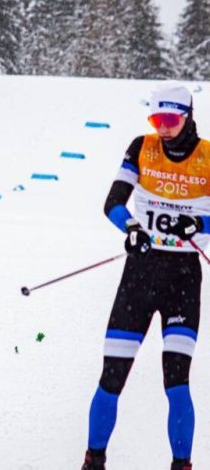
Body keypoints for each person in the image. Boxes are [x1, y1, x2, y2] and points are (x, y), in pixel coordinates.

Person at [82, 83, 208, 470]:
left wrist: (198, 222)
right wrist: (132, 228)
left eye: (169, 120)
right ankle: (93, 461)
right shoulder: (141, 147)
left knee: (176, 379)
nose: (163, 128)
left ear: (186, 117)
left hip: (183, 278)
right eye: (156, 120)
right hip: (140, 273)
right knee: (112, 375)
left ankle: (181, 464)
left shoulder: (208, 156)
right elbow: (113, 202)